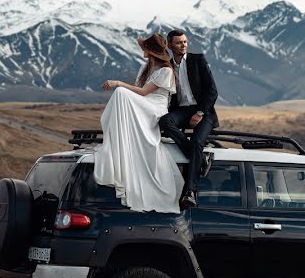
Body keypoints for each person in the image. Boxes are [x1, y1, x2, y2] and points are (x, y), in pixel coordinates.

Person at [94, 34, 184, 213]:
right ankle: (118, 137)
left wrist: (118, 82)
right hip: (143, 104)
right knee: (121, 94)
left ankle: (117, 136)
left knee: (120, 92)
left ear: (151, 51)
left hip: (154, 108)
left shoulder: (166, 70)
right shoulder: (146, 68)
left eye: (144, 48)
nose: (142, 51)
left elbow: (143, 92)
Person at [159, 29, 219, 208]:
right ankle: (200, 160)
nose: (183, 45)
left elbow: (212, 90)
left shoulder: (197, 60)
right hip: (182, 111)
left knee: (197, 142)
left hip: (204, 112)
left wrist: (200, 113)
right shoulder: (168, 66)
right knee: (165, 121)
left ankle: (190, 192)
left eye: (185, 42)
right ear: (170, 45)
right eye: (179, 43)